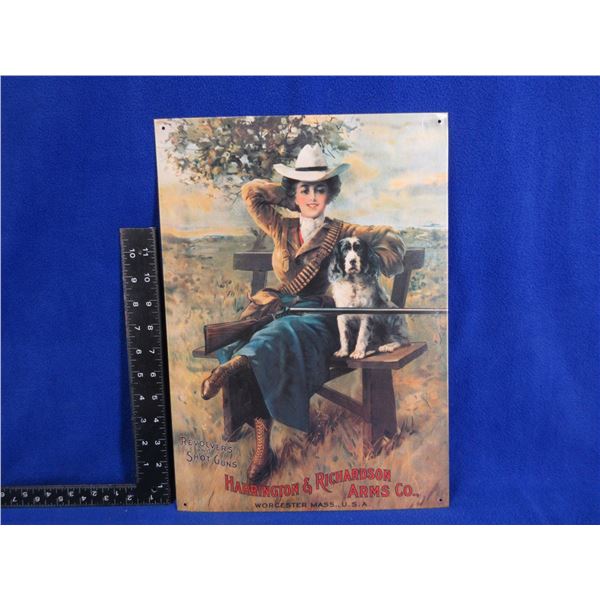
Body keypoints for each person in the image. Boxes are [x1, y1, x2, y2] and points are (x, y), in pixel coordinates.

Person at [201, 144, 406, 483]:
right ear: (293, 194)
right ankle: (263, 444)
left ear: (330, 194)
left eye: (319, 190)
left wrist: (370, 263)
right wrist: (289, 196)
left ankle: (234, 368)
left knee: (277, 336)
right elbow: (252, 193)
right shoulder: (282, 227)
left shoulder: (343, 232)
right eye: (304, 190)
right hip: (283, 310)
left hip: (324, 320)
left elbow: (391, 240)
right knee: (252, 337)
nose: (312, 198)